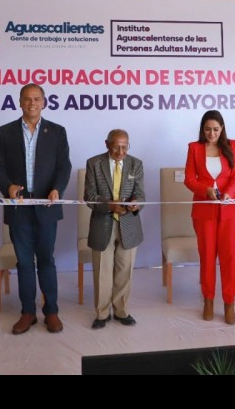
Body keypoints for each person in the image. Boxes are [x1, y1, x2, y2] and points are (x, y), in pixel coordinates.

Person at [0, 83, 71, 335]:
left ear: (44, 102)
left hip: (47, 206)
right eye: (27, 99)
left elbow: (64, 167)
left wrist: (57, 189)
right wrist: (8, 186)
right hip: (19, 208)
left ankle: (52, 311)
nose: (32, 103)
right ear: (20, 102)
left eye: (36, 99)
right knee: (24, 261)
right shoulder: (5, 132)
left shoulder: (57, 132)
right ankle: (27, 312)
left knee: (46, 259)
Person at [184, 110, 235, 325]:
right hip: (204, 211)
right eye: (207, 129)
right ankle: (208, 300)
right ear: (202, 129)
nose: (211, 134)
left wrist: (229, 193)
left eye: (216, 129)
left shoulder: (232, 146)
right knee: (207, 256)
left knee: (230, 257)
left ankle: (229, 302)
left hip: (230, 211)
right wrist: (205, 190)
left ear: (222, 129)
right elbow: (189, 179)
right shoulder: (194, 148)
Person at [83, 129, 145, 329]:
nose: (121, 152)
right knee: (102, 271)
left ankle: (121, 311)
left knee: (124, 271)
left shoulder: (136, 164)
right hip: (102, 224)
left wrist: (136, 203)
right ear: (106, 144)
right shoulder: (94, 163)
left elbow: (141, 194)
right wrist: (109, 205)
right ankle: (102, 314)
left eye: (125, 147)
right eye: (116, 147)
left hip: (129, 225)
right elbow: (89, 197)